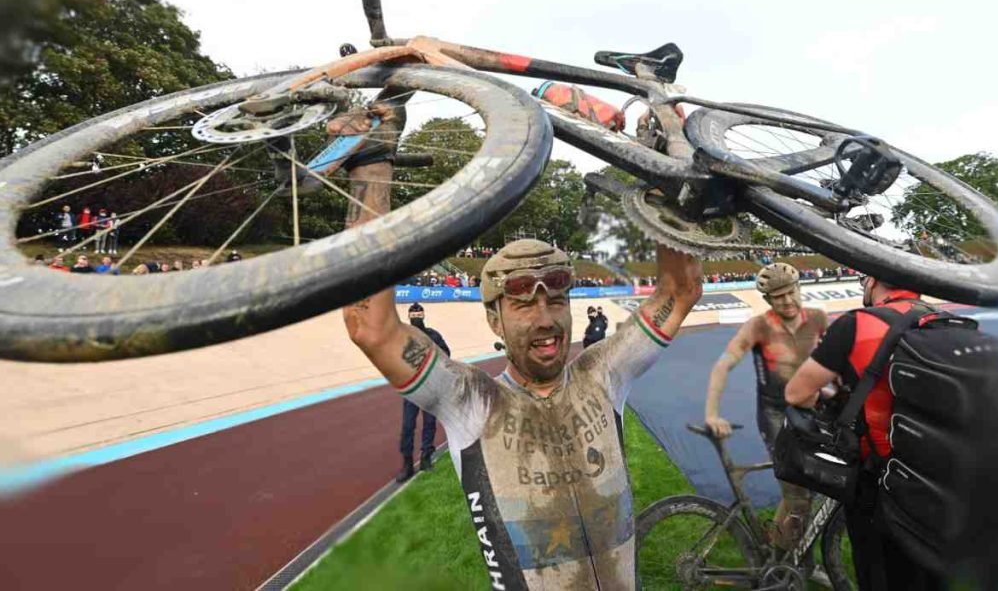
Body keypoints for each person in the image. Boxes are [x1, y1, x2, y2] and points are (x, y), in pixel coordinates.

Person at [340, 125, 703, 589]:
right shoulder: (470, 400)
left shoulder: (602, 374)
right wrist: (372, 161)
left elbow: (682, 289)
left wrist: (662, 181)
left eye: (556, 300)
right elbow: (369, 326)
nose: (545, 318)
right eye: (523, 305)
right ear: (495, 321)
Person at [785, 274, 945, 590]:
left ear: (872, 281)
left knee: (880, 573)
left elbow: (796, 393)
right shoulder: (945, 321)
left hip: (879, 478)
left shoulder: (857, 323)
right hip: (939, 476)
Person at [703, 263, 828, 550]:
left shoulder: (819, 318)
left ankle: (783, 549)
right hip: (776, 415)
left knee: (811, 486)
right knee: (798, 493)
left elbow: (834, 362)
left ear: (800, 288)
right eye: (777, 296)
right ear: (767, 300)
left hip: (813, 410)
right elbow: (723, 366)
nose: (786, 301)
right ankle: (786, 560)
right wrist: (711, 413)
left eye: (790, 292)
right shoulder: (758, 326)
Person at [396, 302, 449, 483]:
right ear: (409, 317)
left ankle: (426, 456)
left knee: (429, 423)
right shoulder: (401, 337)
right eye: (414, 315)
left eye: (419, 315)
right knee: (408, 426)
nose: (416, 317)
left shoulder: (433, 335)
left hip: (431, 386)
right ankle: (407, 462)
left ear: (423, 316)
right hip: (411, 387)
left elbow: (446, 354)